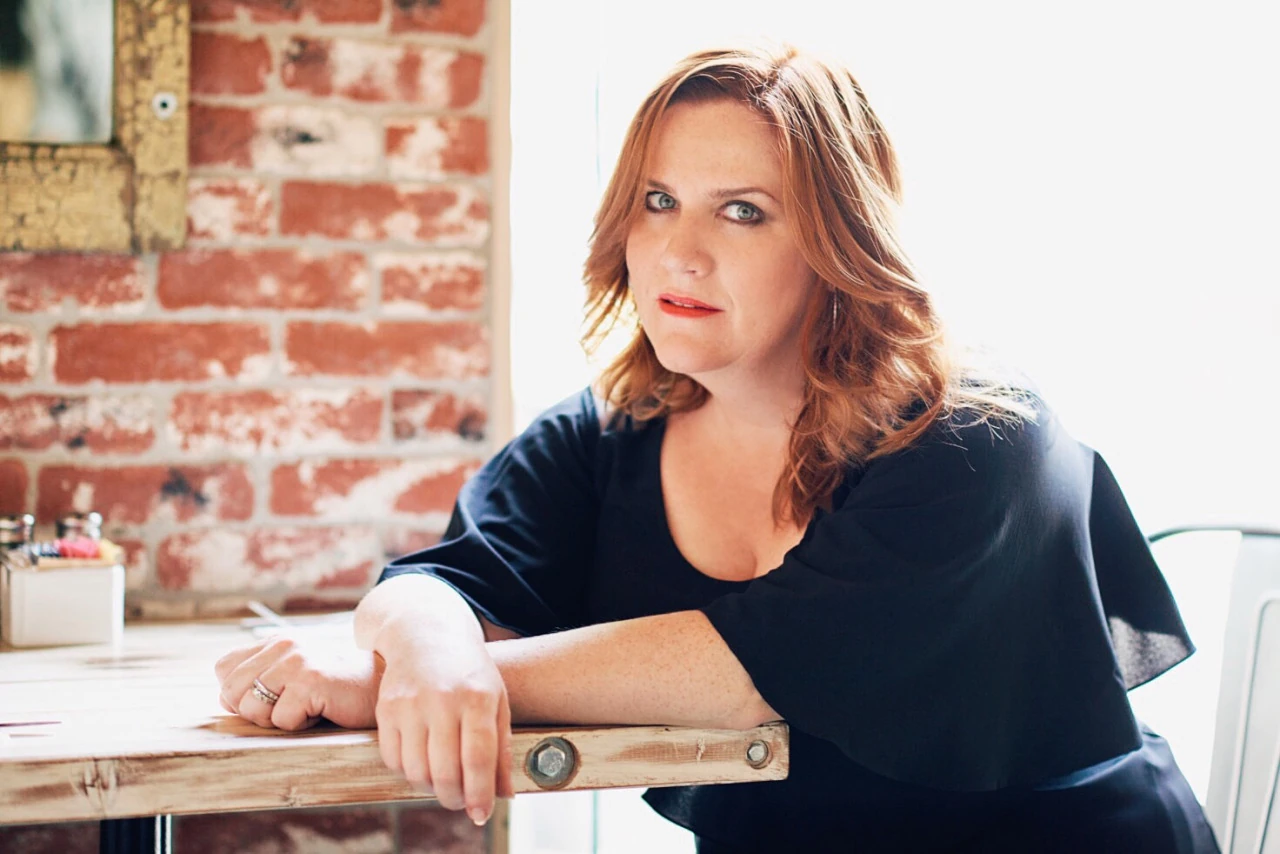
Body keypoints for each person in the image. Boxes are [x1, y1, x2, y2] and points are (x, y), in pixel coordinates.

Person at [214, 44, 1220, 852]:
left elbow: (759, 667)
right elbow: (435, 583)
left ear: (839, 242)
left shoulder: (976, 439)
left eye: (743, 211)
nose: (678, 251)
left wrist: (400, 680)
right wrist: (428, 649)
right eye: (658, 200)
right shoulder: (605, 433)